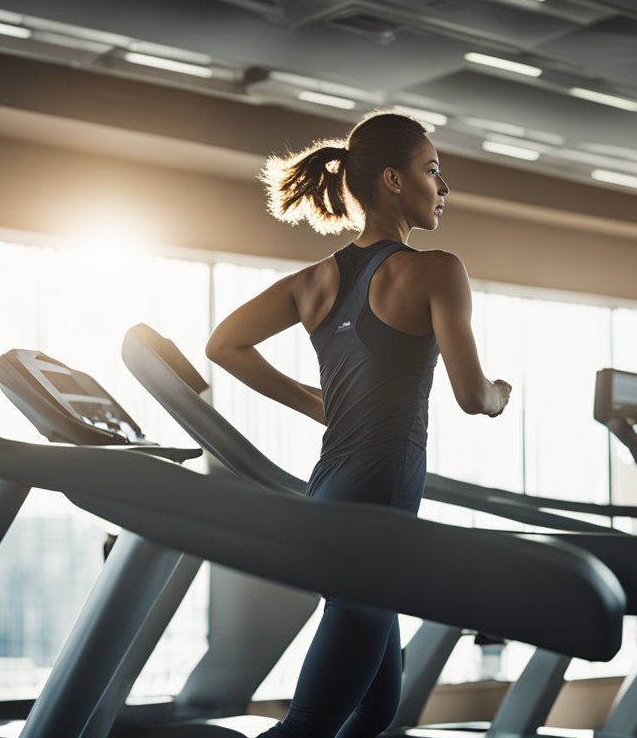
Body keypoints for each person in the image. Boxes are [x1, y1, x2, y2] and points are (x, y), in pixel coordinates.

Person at [204, 110, 512, 738]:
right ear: (395, 181)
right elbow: (471, 395)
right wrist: (502, 393)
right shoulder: (435, 269)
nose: (442, 187)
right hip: (378, 497)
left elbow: (223, 345)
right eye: (433, 171)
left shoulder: (315, 279)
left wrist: (321, 404)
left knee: (374, 713)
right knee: (312, 725)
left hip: (330, 491)